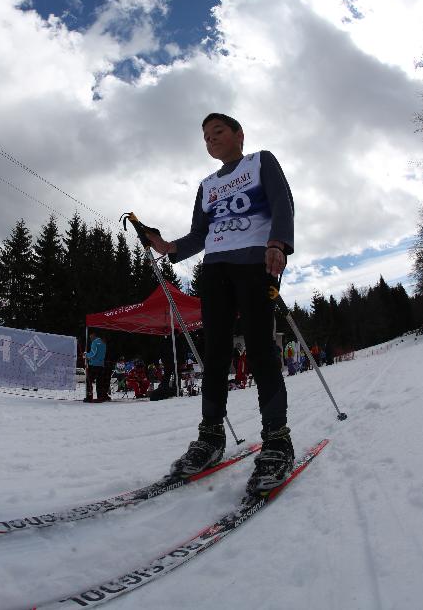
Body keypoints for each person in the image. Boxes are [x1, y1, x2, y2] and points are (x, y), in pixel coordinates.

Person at [145, 112, 295, 495]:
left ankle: (277, 439)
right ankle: (211, 437)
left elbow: (282, 203)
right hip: (215, 269)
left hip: (255, 262)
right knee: (214, 352)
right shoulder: (207, 185)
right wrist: (168, 247)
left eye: (218, 132)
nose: (211, 139)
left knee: (260, 346)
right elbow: (199, 234)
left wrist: (277, 243)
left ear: (238, 134)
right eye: (206, 137)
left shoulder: (260, 161)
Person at [84, 331, 109, 402]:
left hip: (94, 365)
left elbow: (93, 353)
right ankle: (100, 397)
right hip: (101, 365)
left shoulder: (95, 342)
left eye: (90, 336)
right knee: (99, 382)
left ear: (94, 335)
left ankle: (89, 396)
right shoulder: (103, 342)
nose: (90, 338)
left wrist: (86, 355)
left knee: (89, 381)